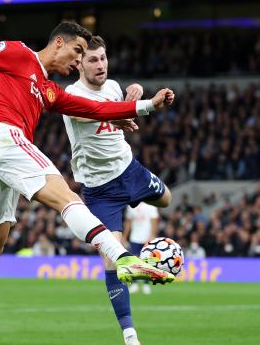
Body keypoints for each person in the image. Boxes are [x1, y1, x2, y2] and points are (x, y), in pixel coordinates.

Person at [0, 21, 176, 344]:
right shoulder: (17, 53)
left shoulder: (48, 89)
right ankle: (123, 257)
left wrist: (148, 106)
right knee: (66, 196)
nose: (78, 61)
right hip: (3, 137)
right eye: (78, 52)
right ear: (58, 43)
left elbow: (95, 108)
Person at [62, 35, 170, 345]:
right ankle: (130, 334)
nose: (100, 65)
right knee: (112, 261)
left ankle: (141, 247)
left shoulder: (111, 87)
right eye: (93, 60)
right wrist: (137, 106)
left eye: (103, 59)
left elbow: (116, 108)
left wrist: (127, 98)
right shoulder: (72, 94)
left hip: (130, 171)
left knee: (167, 200)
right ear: (79, 63)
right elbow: (89, 112)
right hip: (100, 190)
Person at [125, 203, 159, 295]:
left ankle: (146, 284)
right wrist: (124, 236)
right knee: (134, 261)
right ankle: (135, 284)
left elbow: (155, 221)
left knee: (146, 262)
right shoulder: (131, 205)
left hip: (147, 237)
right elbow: (128, 221)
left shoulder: (151, 205)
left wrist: (152, 235)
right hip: (134, 237)